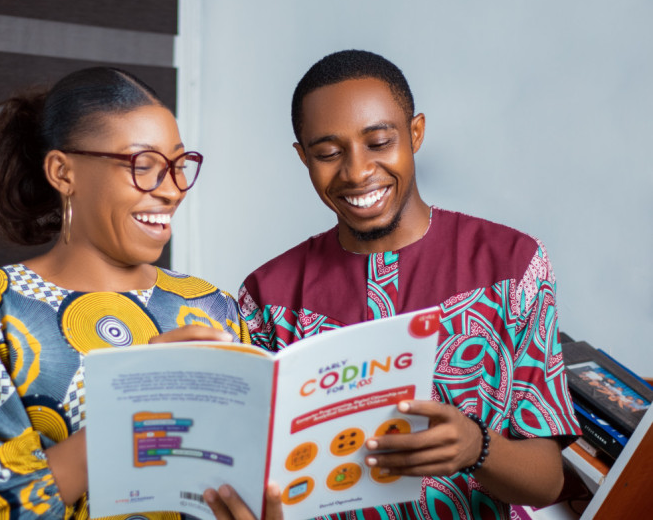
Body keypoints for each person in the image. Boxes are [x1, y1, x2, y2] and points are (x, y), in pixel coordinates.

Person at [0, 67, 282, 520]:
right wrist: (131, 415)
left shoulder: (210, 306)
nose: (172, 190)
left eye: (178, 167)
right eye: (144, 166)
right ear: (63, 172)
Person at [238, 50, 581, 519]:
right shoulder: (267, 296)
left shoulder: (514, 265)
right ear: (303, 157)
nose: (357, 172)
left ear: (415, 134)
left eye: (378, 141)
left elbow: (546, 482)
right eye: (328, 153)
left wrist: (476, 448)